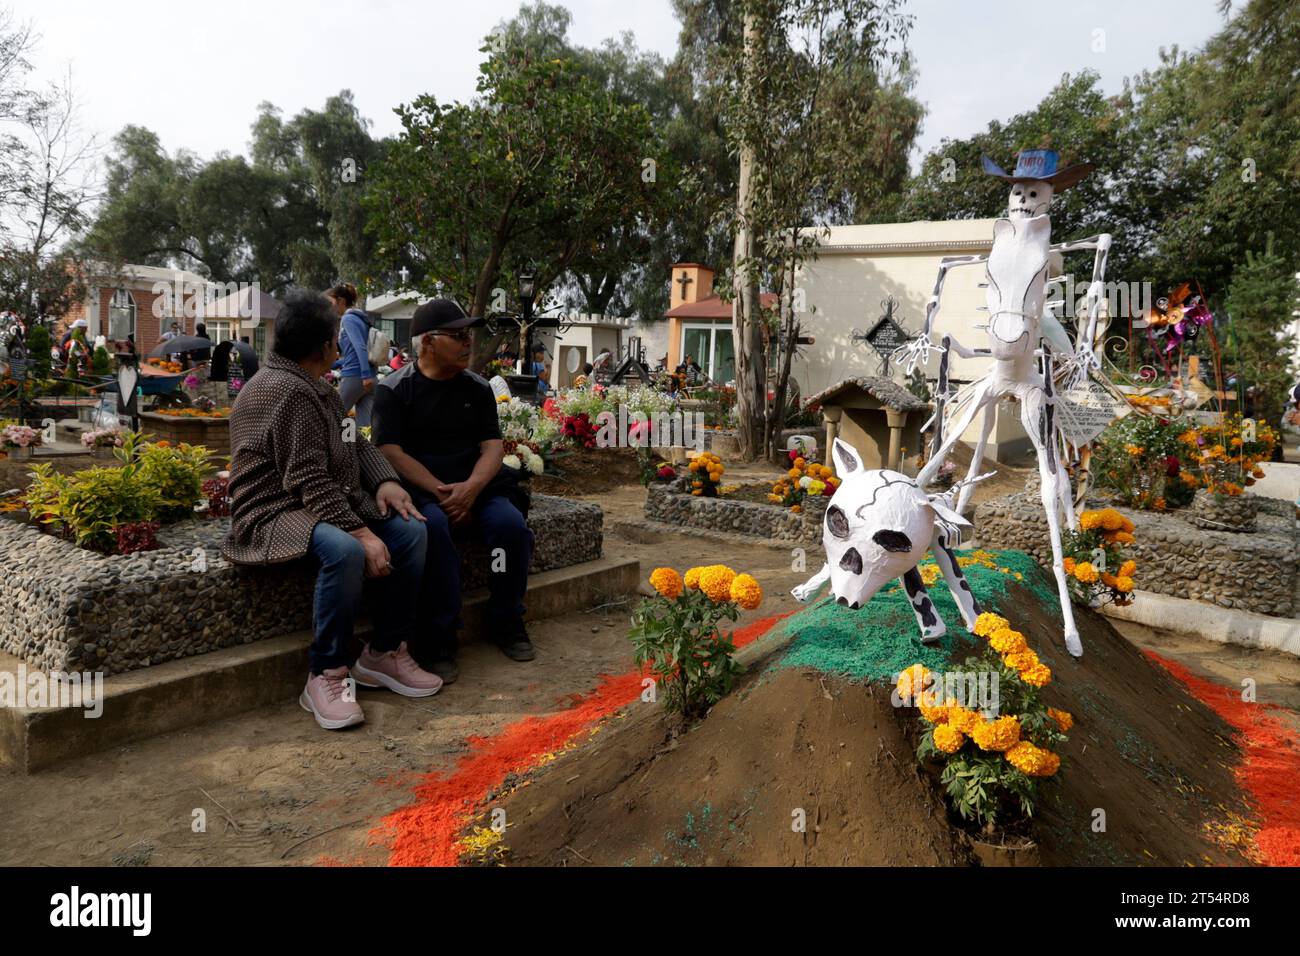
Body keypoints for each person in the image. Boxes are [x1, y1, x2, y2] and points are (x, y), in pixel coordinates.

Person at [222, 291, 442, 731]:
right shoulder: (286, 391)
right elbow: (307, 479)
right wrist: (360, 532)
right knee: (344, 550)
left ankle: (382, 653)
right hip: (273, 511)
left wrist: (387, 482)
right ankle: (326, 672)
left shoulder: (313, 385)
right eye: (337, 337)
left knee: (411, 529)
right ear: (324, 346)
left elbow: (353, 440)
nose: (340, 346)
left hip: (316, 503)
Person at [372, 298, 536, 676]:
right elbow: (390, 451)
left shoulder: (477, 389)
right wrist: (443, 490)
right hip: (424, 491)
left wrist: (472, 489)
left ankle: (506, 620)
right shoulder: (395, 391)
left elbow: (492, 447)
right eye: (458, 336)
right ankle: (439, 635)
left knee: (510, 528)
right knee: (434, 533)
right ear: (427, 342)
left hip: (479, 488)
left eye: (469, 335)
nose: (468, 343)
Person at [326, 283, 377, 427]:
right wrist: (335, 364)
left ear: (341, 301)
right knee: (365, 426)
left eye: (332, 303)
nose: (331, 307)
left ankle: (334, 449)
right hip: (370, 378)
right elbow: (354, 353)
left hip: (356, 376)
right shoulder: (362, 319)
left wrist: (365, 375)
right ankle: (362, 450)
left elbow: (359, 346)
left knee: (332, 417)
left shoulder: (348, 319)